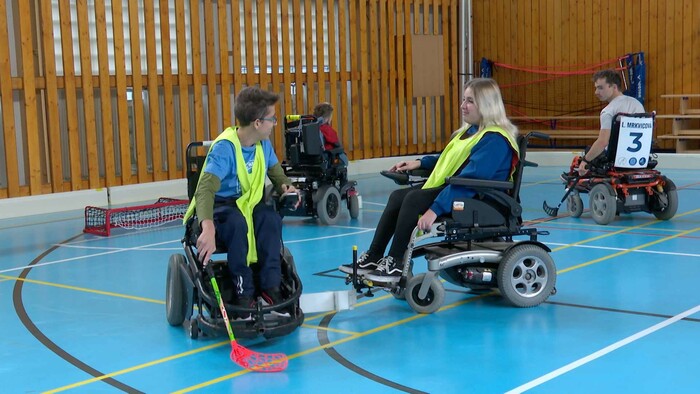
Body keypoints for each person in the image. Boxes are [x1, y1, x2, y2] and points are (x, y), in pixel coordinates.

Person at [339, 78, 520, 282]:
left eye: (470, 101)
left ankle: (396, 263)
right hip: (463, 191)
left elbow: (471, 180)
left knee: (413, 199)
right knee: (398, 196)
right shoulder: (471, 133)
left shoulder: (495, 140)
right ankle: (374, 256)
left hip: (481, 199)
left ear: (486, 105)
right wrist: (419, 163)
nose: (462, 106)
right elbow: (450, 160)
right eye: (463, 100)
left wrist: (434, 209)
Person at [183, 86, 300, 314]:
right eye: (272, 119)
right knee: (237, 224)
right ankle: (243, 292)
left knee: (270, 219)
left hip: (249, 204)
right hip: (222, 206)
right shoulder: (225, 148)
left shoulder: (263, 145)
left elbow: (277, 175)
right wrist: (207, 227)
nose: (275, 123)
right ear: (257, 123)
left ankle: (270, 286)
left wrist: (287, 188)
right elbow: (205, 189)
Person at [577, 69, 645, 175]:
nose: (596, 92)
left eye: (600, 88)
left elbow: (603, 142)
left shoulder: (608, 111)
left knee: (589, 151)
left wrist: (585, 161)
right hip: (639, 157)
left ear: (614, 87)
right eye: (596, 88)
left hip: (616, 158)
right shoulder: (637, 104)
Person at [312, 102, 349, 166]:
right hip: (328, 157)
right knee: (343, 157)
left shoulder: (311, 129)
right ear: (327, 118)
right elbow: (336, 144)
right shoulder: (326, 129)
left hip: (314, 159)